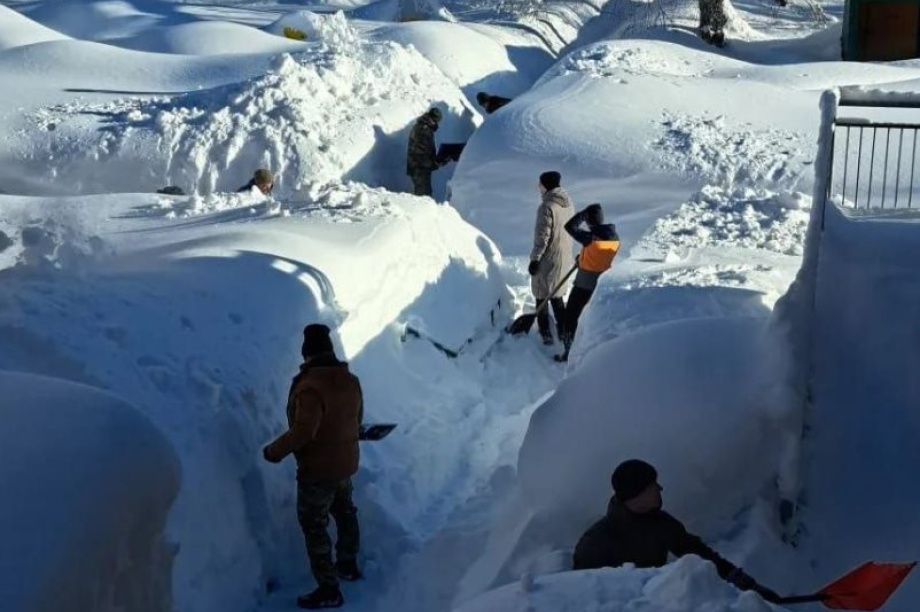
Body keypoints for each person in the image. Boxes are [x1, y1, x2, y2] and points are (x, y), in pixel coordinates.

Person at [573, 459, 781, 604]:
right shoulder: (595, 545)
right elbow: (586, 599)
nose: (660, 488)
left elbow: (701, 554)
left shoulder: (661, 524)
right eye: (652, 485)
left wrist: (750, 586)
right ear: (636, 495)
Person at [263, 324, 364, 610]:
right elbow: (357, 419)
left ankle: (328, 588)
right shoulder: (350, 380)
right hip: (346, 463)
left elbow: (303, 432)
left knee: (314, 525)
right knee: (345, 512)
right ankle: (348, 564)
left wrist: (273, 451)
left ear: (307, 354)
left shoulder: (310, 388)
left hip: (318, 471)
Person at [555, 203, 620, 362]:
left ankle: (569, 352)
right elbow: (599, 255)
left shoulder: (590, 238)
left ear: (589, 220)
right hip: (600, 284)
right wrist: (584, 258)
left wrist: (583, 214)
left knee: (571, 318)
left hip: (583, 285)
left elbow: (569, 227)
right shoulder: (614, 237)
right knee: (589, 319)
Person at [529, 171, 575, 346]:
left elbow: (542, 238)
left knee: (541, 293)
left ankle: (545, 331)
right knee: (557, 294)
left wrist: (535, 259)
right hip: (564, 256)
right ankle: (564, 331)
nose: (538, 187)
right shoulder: (568, 203)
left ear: (546, 185)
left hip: (548, 257)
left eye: (540, 184)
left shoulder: (546, 207)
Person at [407, 108, 444, 197]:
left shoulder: (421, 126)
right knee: (423, 195)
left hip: (419, 166)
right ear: (433, 119)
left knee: (422, 193)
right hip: (420, 167)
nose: (436, 124)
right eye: (436, 121)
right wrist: (433, 163)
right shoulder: (424, 130)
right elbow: (420, 152)